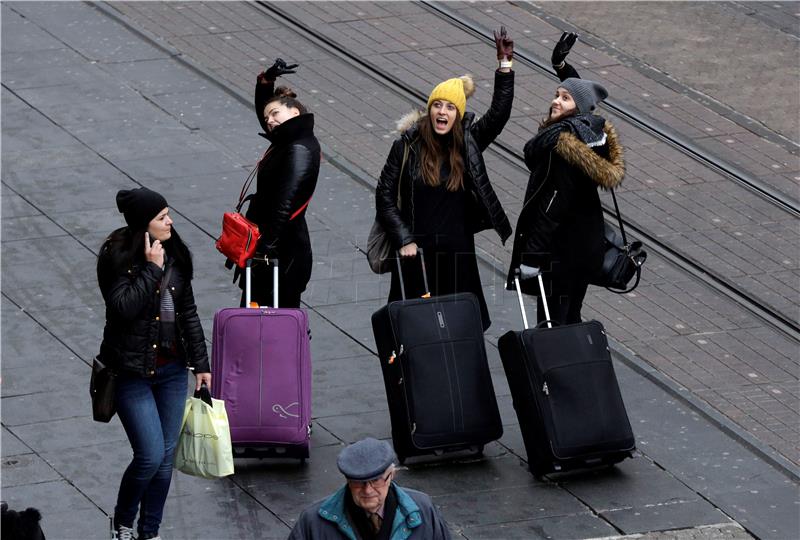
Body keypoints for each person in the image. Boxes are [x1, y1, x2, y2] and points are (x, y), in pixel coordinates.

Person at [375, 28, 515, 330]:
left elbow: (499, 116)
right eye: (438, 104)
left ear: (458, 113)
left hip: (456, 255)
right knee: (415, 329)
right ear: (429, 109)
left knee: (459, 329)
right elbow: (384, 197)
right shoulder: (407, 146)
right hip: (417, 255)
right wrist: (404, 239)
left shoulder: (467, 143)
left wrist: (505, 67)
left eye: (450, 107)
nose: (442, 111)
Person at [97, 187, 211, 540]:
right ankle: (123, 524)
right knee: (148, 455)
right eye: (161, 217)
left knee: (164, 462)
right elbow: (123, 308)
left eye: (168, 214)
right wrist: (151, 269)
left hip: (172, 370)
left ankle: (150, 532)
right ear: (142, 225)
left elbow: (187, 312)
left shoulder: (175, 253)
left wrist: (201, 363)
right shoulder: (116, 256)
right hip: (132, 373)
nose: (170, 221)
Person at [506, 55, 625, 325]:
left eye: (565, 99)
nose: (556, 101)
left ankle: (555, 367)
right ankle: (578, 363)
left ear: (577, 109)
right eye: (557, 95)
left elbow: (551, 207)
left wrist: (531, 258)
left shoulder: (562, 149)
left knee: (552, 324)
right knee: (571, 316)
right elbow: (584, 99)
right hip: (586, 248)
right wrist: (562, 67)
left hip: (561, 253)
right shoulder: (591, 136)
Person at [238, 58, 320, 308]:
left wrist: (266, 249)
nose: (269, 121)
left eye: (275, 114)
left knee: (272, 320)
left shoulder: (298, 149)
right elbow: (267, 113)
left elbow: (285, 202)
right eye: (267, 116)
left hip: (281, 253)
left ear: (295, 112)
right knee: (256, 314)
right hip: (274, 246)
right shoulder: (288, 140)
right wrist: (266, 81)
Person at [288, 438, 451, 539]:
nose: (368, 490)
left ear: (391, 475)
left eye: (376, 480)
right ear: (348, 480)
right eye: (359, 482)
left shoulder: (424, 510)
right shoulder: (312, 522)